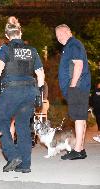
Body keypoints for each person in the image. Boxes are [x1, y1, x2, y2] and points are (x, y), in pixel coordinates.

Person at [0, 16, 45, 173]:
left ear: (7, 36)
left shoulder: (5, 49)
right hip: (29, 93)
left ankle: (12, 156)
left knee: (0, 118)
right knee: (23, 126)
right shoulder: (32, 50)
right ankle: (25, 165)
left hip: (12, 91)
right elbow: (40, 74)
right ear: (20, 33)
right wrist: (39, 94)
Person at [55, 24, 91, 159]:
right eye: (57, 36)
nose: (59, 38)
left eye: (61, 34)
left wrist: (72, 85)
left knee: (78, 118)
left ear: (68, 32)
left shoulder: (73, 44)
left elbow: (79, 64)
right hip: (79, 87)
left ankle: (77, 150)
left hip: (77, 87)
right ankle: (80, 149)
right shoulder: (71, 46)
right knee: (80, 117)